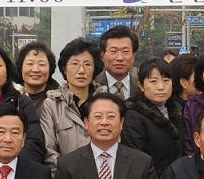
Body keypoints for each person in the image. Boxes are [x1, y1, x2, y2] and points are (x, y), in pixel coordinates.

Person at [39, 37, 100, 165]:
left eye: (87, 64)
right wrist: (66, 178)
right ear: (64, 69)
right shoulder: (52, 104)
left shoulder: (107, 102)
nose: (81, 70)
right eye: (75, 64)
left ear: (95, 69)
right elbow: (49, 151)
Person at [121, 60, 187, 177]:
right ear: (141, 86)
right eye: (153, 81)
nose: (161, 87)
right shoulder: (133, 115)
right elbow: (136, 159)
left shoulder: (180, 109)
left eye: (166, 80)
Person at [14, 41, 58, 140]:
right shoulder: (10, 98)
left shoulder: (59, 101)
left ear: (50, 69)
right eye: (30, 64)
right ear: (21, 68)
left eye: (42, 64)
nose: (35, 69)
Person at [98, 25, 140, 99]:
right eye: (113, 51)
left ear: (133, 56)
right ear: (102, 55)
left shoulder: (142, 87)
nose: (120, 58)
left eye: (125, 51)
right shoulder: (92, 86)